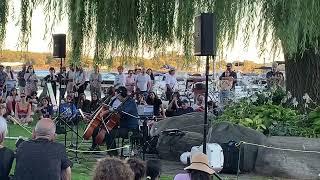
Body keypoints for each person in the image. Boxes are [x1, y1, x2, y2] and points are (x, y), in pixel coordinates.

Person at [90, 86, 139, 155]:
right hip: (123, 127)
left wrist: (107, 111)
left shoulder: (130, 102)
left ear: (119, 94)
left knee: (109, 134)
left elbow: (123, 111)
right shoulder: (124, 103)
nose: (117, 98)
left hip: (130, 129)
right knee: (107, 131)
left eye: (117, 95)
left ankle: (113, 154)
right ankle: (110, 152)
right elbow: (117, 111)